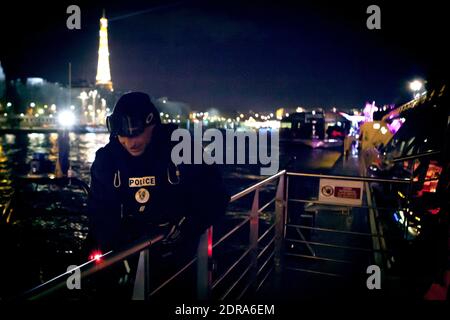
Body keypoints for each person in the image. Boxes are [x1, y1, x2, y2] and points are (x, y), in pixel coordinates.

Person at [87, 92, 229, 298]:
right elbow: (99, 212)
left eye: (136, 134)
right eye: (123, 136)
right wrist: (115, 251)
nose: (130, 142)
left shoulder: (182, 147)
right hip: (126, 261)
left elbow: (216, 196)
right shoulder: (107, 160)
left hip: (179, 261)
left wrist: (187, 225)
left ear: (152, 124)